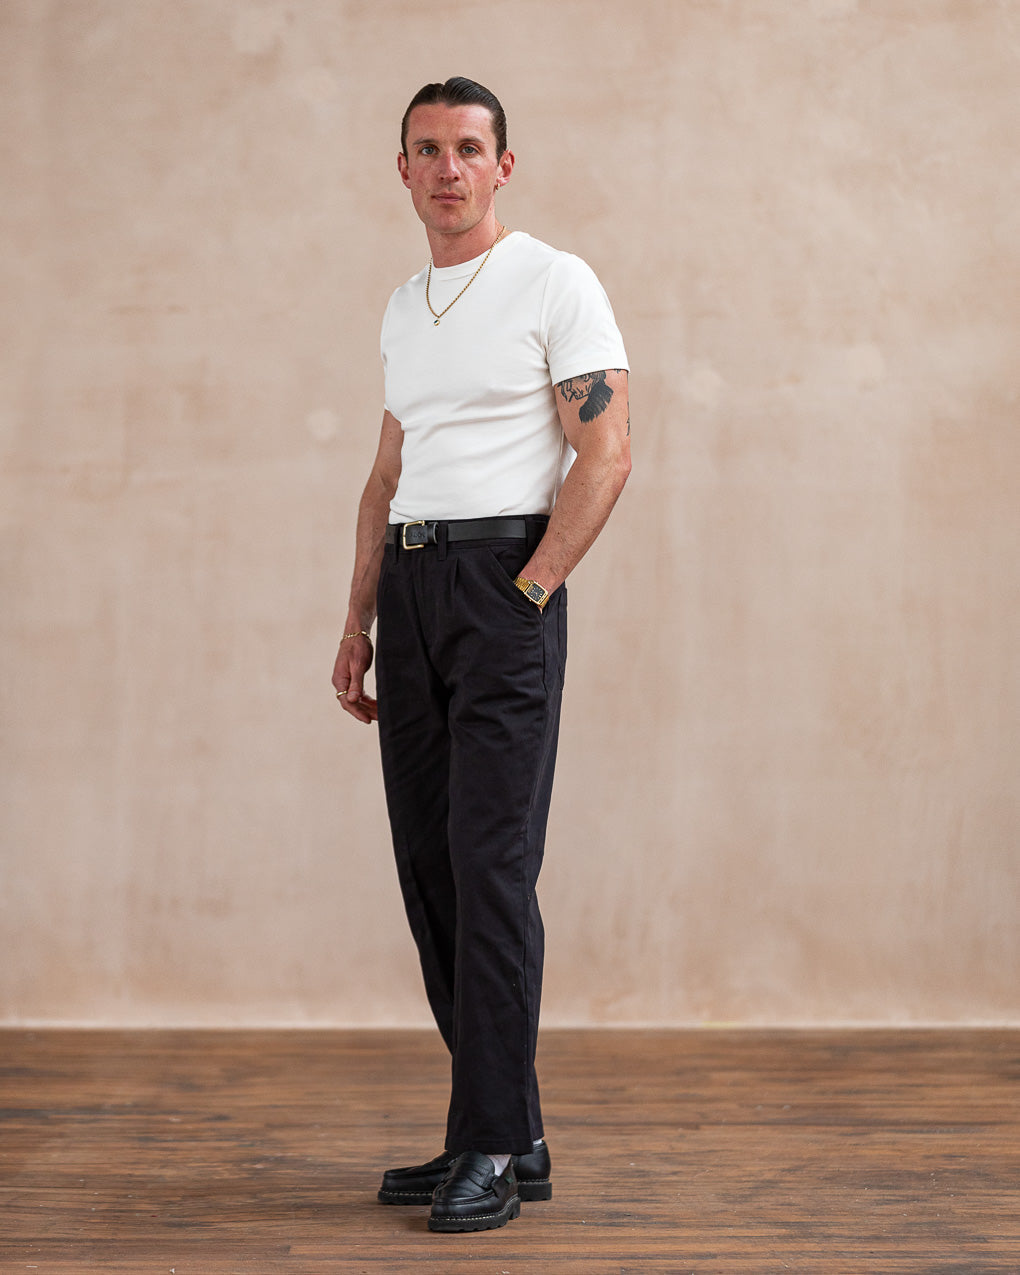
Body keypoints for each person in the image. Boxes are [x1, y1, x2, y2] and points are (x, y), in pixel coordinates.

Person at [331, 76, 631, 1233]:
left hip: (503, 582)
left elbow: (605, 453)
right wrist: (358, 621)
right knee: (431, 866)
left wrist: (530, 593)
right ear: (402, 170)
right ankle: (510, 1132)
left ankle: (489, 1145)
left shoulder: (555, 281)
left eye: (468, 148)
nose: (447, 167)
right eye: (427, 149)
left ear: (503, 166)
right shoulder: (406, 307)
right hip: (412, 588)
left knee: (490, 864)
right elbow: (385, 475)